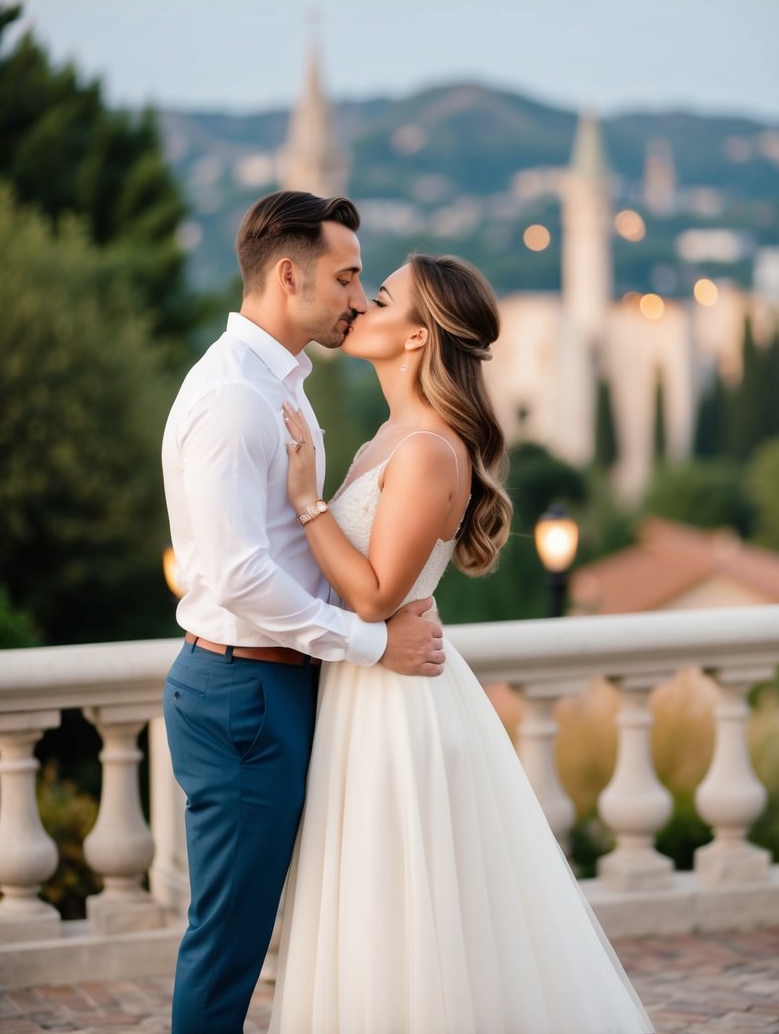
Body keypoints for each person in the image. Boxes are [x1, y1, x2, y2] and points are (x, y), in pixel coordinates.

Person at [270, 253, 654, 1033]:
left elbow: (376, 593)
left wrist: (307, 502)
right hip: (361, 689)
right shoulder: (387, 438)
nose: (358, 307)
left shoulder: (427, 451)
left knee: (398, 910)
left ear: (415, 338)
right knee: (367, 904)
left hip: (395, 705)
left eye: (378, 298)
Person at [161, 192, 445, 1034]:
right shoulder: (233, 398)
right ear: (290, 275)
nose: (358, 299)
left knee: (289, 931)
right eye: (347, 277)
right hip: (244, 694)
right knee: (228, 945)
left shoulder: (277, 383)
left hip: (279, 687)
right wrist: (367, 641)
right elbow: (240, 575)